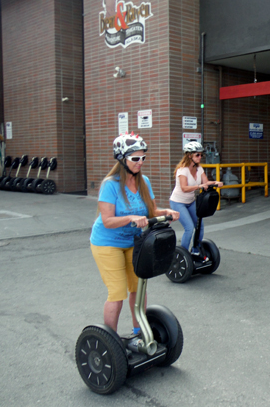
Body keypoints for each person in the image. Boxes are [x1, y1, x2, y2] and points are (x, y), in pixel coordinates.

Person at [90, 132, 180, 334]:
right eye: (135, 159)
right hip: (107, 243)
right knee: (117, 292)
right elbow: (107, 221)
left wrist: (166, 211)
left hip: (133, 243)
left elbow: (150, 211)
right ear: (122, 160)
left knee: (138, 289)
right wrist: (131, 218)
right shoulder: (110, 185)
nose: (141, 162)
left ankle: (139, 333)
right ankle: (111, 341)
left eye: (143, 158)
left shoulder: (144, 182)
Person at [169, 142, 223, 255]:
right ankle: (182, 254)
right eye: (197, 155)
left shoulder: (199, 168)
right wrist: (199, 186)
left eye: (201, 155)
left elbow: (206, 182)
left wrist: (216, 182)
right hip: (178, 202)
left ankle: (195, 250)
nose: (200, 157)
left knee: (199, 226)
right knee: (189, 228)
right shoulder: (182, 170)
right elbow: (184, 188)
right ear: (189, 156)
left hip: (190, 201)